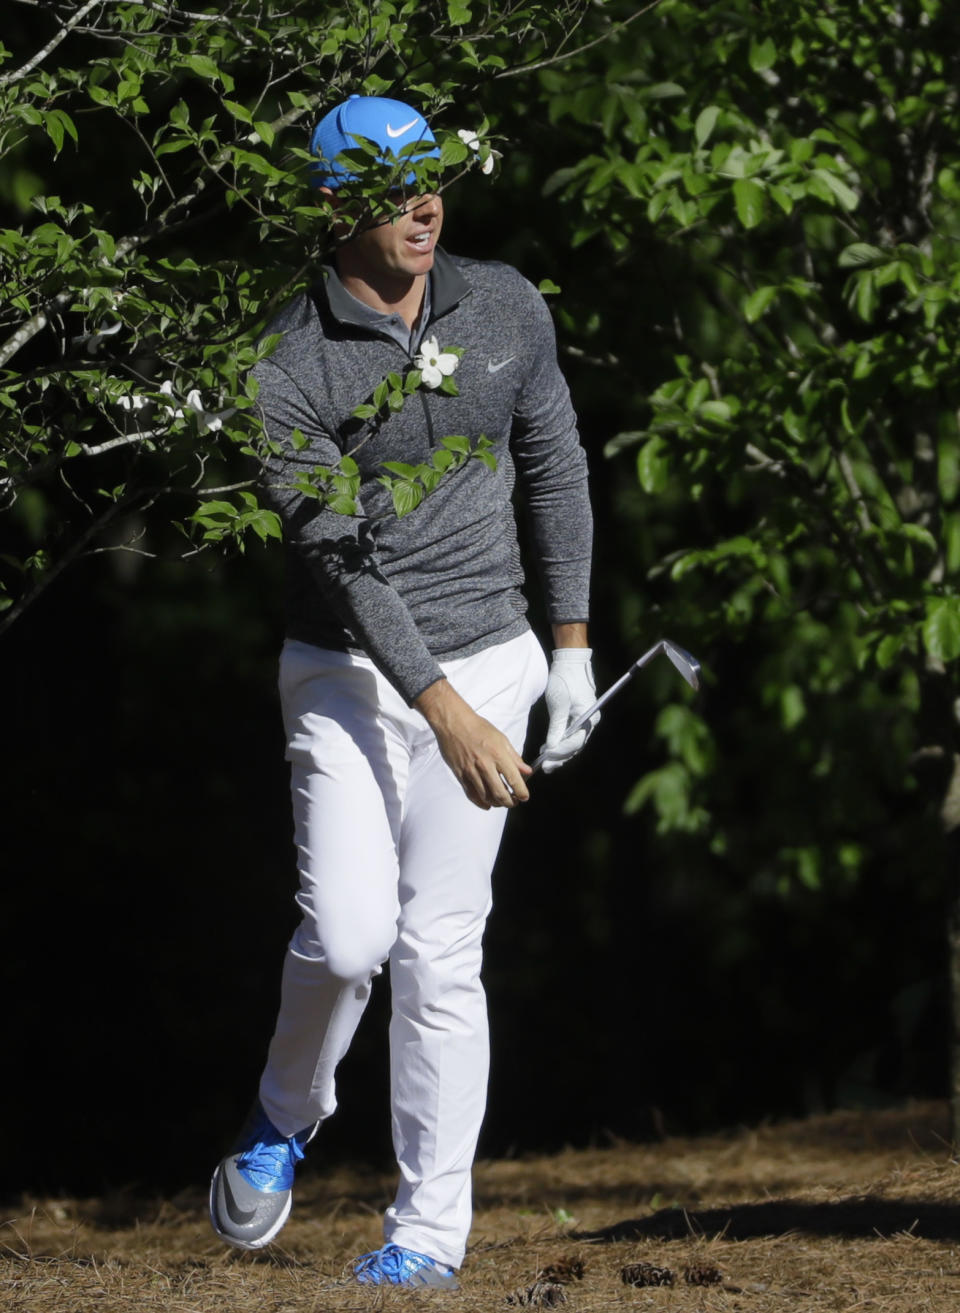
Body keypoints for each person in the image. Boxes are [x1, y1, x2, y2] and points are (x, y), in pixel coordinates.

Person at [209, 93, 598, 1290]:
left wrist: (571, 648)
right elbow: (339, 557)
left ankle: (427, 1235)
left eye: (431, 176)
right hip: (345, 670)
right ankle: (284, 1115)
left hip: (493, 652)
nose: (424, 201)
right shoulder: (285, 361)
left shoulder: (504, 302)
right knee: (349, 938)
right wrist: (446, 708)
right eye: (390, 184)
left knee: (442, 947)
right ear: (334, 206)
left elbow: (555, 466)